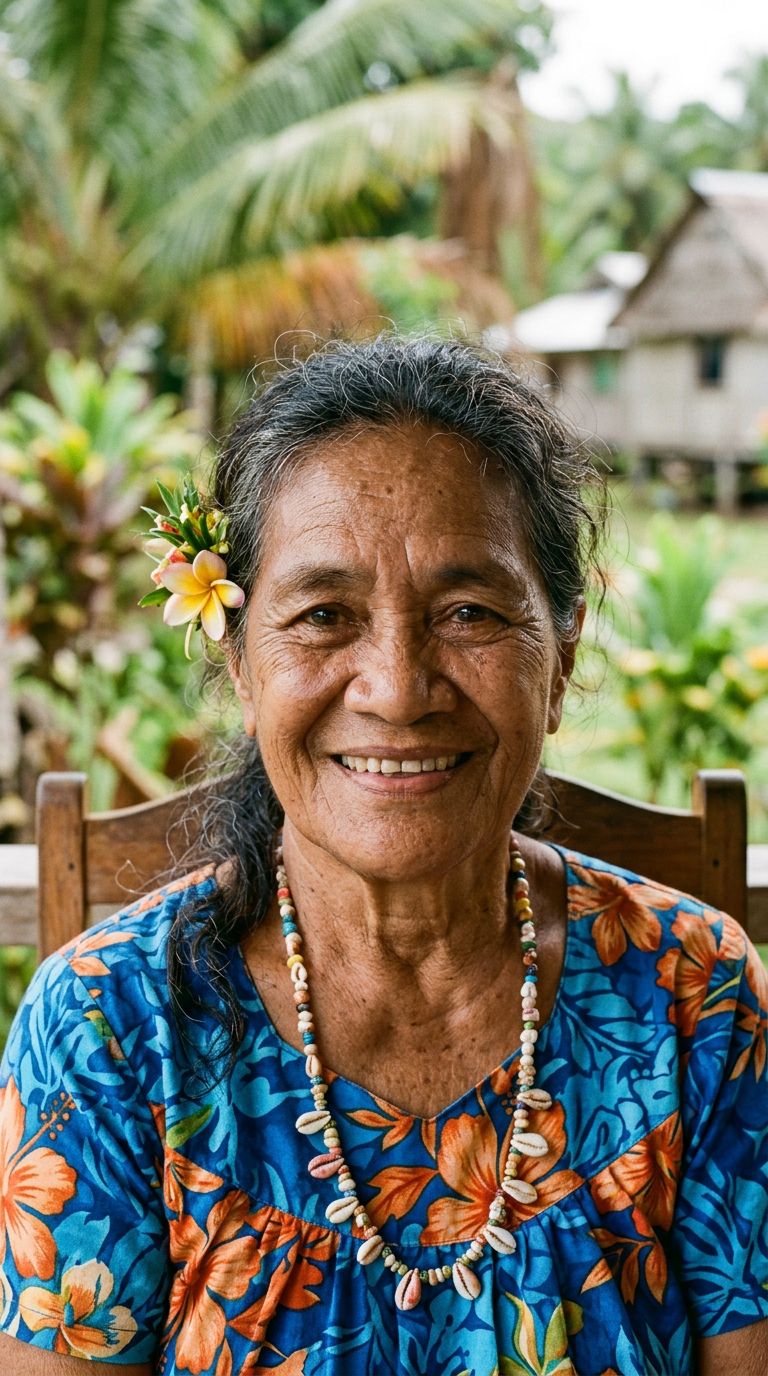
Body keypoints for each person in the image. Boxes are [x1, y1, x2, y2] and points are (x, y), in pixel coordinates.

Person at [0, 337, 766, 1376]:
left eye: (468, 613)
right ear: (239, 661)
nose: (398, 688)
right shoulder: (110, 1027)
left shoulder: (695, 1000)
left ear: (563, 653)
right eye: (324, 615)